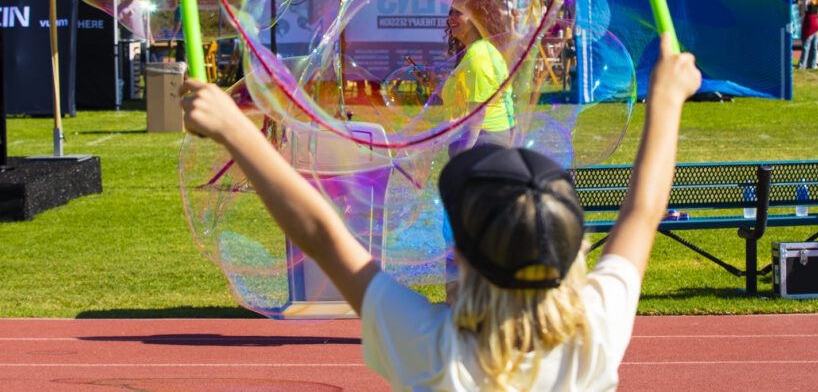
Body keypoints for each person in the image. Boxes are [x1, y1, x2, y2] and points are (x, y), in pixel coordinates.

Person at [180, 33, 702, 390]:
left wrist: (234, 127)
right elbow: (643, 211)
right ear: (575, 250)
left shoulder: (436, 353)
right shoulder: (595, 332)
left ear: (460, 255)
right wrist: (668, 99)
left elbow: (319, 231)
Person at [443, 0, 517, 156]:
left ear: (475, 19)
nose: (451, 18)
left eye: (458, 13)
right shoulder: (480, 50)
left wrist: (460, 164)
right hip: (486, 144)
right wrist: (432, 82)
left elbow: (476, 117)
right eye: (451, 12)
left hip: (484, 145)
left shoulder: (478, 56)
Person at [797, 0, 818, 70]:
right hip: (815, 24)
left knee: (806, 46)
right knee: (814, 46)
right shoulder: (817, 0)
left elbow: (802, 13)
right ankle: (813, 64)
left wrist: (800, 4)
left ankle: (802, 64)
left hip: (809, 23)